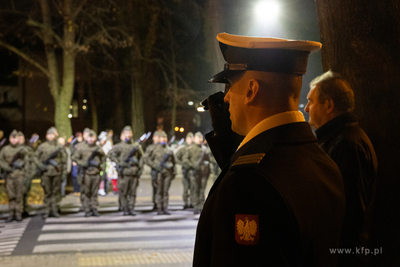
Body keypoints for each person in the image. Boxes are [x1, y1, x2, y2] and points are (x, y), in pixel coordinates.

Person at [193, 33, 346, 266]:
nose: (225, 98)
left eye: (230, 84)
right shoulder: (324, 163)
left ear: (251, 90)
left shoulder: (248, 184)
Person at [305, 70, 378, 266]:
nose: (306, 108)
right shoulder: (341, 139)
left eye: (311, 101)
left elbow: (349, 215)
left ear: (329, 105)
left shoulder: (346, 144)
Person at [108, 126, 144, 216]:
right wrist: (119, 163)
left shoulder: (135, 146)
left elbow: (142, 158)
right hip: (124, 172)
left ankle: (131, 207)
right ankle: (125, 208)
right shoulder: (119, 146)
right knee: (123, 192)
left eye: (129, 134)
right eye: (126, 134)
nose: (128, 136)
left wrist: (140, 168)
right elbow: (110, 155)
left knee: (132, 192)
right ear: (122, 136)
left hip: (133, 171)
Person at [71, 130, 105, 217]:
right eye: (89, 137)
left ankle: (94, 208)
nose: (91, 139)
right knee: (86, 192)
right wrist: (82, 163)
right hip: (85, 173)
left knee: (94, 192)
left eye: (92, 137)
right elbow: (74, 157)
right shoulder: (80, 147)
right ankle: (87, 209)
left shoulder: (98, 148)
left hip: (96, 173)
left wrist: (102, 170)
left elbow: (103, 159)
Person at [34, 127, 66, 219]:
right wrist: (41, 166)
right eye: (49, 134)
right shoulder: (42, 146)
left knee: (55, 192)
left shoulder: (59, 146)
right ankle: (46, 211)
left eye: (52, 134)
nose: (51, 136)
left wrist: (63, 172)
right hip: (46, 173)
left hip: (56, 172)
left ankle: (54, 210)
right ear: (46, 136)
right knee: (47, 192)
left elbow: (64, 160)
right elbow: (35, 157)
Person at [0, 130, 30, 222]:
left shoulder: (22, 150)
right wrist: (7, 168)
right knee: (11, 195)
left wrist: (25, 172)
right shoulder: (5, 149)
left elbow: (26, 161)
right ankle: (11, 213)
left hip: (19, 175)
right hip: (9, 176)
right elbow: (1, 160)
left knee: (19, 195)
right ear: (9, 139)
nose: (13, 140)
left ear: (18, 139)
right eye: (12, 138)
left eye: (15, 138)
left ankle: (18, 213)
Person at [183, 132, 212, 214]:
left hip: (203, 173)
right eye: (197, 138)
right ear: (194, 139)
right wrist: (192, 165)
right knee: (195, 190)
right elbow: (185, 160)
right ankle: (196, 207)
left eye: (200, 138)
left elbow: (209, 161)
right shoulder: (190, 149)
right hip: (194, 173)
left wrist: (206, 167)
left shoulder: (205, 150)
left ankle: (201, 207)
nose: (199, 140)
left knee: (202, 190)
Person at [147, 131, 175, 215]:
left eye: (165, 138)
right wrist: (155, 166)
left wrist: (173, 173)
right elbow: (147, 159)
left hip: (167, 173)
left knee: (165, 191)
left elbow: (174, 162)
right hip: (158, 173)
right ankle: (159, 207)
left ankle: (165, 207)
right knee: (159, 191)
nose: (164, 139)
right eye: (162, 138)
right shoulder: (154, 148)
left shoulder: (169, 149)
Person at [17, 131, 36, 218]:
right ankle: (18, 211)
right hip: (17, 175)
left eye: (22, 138)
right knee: (18, 193)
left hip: (27, 175)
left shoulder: (29, 149)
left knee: (25, 193)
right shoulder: (14, 149)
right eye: (19, 138)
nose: (21, 140)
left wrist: (32, 173)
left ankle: (24, 209)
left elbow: (33, 161)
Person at [174, 132, 193, 209]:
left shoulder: (194, 148)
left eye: (191, 138)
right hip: (185, 171)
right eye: (189, 138)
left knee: (193, 188)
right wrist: (181, 163)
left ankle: (192, 203)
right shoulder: (182, 149)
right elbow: (176, 157)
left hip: (192, 171)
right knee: (186, 188)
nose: (190, 140)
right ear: (186, 139)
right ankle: (185, 203)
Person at [143, 131, 161, 210]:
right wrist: (153, 165)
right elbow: (146, 159)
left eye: (159, 137)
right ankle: (155, 203)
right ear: (153, 138)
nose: (157, 138)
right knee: (155, 187)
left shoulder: (162, 147)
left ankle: (161, 203)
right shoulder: (150, 147)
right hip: (154, 171)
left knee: (162, 188)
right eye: (156, 137)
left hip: (162, 171)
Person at [70, 132, 83, 196]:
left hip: (81, 162)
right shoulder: (74, 144)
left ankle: (80, 190)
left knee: (80, 176)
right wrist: (73, 161)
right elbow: (72, 153)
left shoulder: (84, 144)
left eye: (81, 137)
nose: (80, 138)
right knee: (75, 177)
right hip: (75, 162)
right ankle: (76, 190)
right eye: (78, 137)